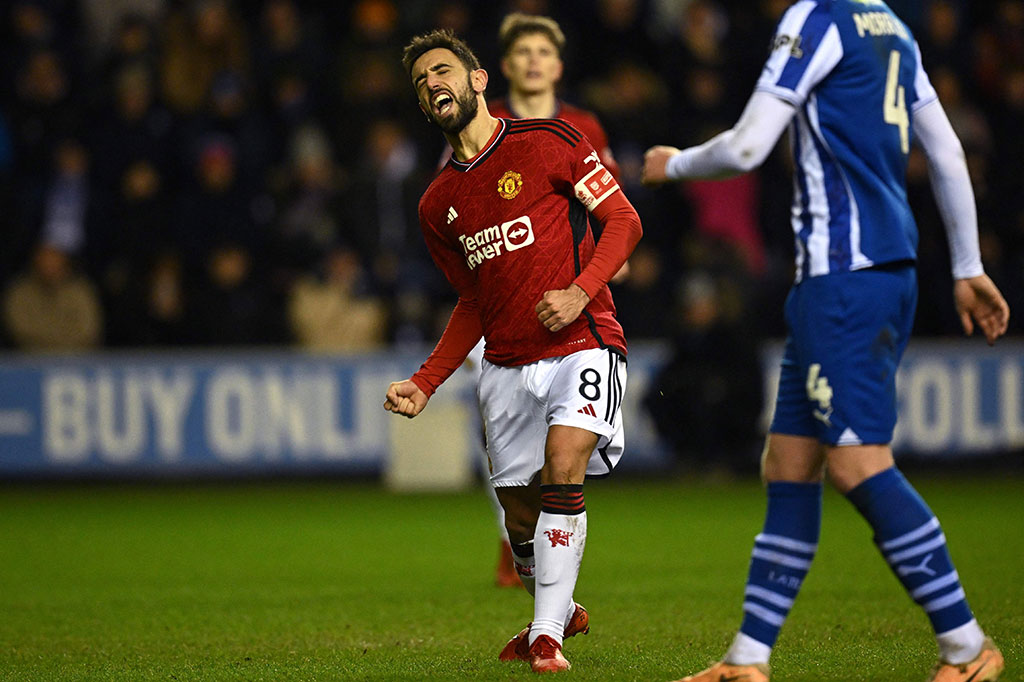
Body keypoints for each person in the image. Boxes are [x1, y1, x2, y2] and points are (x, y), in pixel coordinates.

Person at [642, 2, 1009, 681]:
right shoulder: (891, 25)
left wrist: (678, 163)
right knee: (789, 463)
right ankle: (748, 659)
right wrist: (966, 266)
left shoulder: (817, 18)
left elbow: (748, 146)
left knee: (858, 464)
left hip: (845, 281)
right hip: (874, 274)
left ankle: (966, 646)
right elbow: (947, 150)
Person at [385, 29, 641, 673]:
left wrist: (582, 291)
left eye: (442, 71)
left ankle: (545, 636)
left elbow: (624, 221)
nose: (433, 84)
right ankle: (561, 609)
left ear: (477, 80)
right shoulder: (437, 203)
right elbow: (472, 301)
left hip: (584, 342)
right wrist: (426, 381)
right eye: (421, 82)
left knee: (563, 464)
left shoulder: (549, 140)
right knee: (520, 521)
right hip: (504, 363)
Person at [476, 11, 627, 590]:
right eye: (523, 52)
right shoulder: (482, 123)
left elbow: (611, 204)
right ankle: (514, 540)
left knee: (563, 439)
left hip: (571, 298)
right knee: (506, 444)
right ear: (504, 67)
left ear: (558, 66)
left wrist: (605, 260)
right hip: (501, 305)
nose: (534, 61)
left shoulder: (582, 126)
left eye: (543, 51)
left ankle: (543, 555)